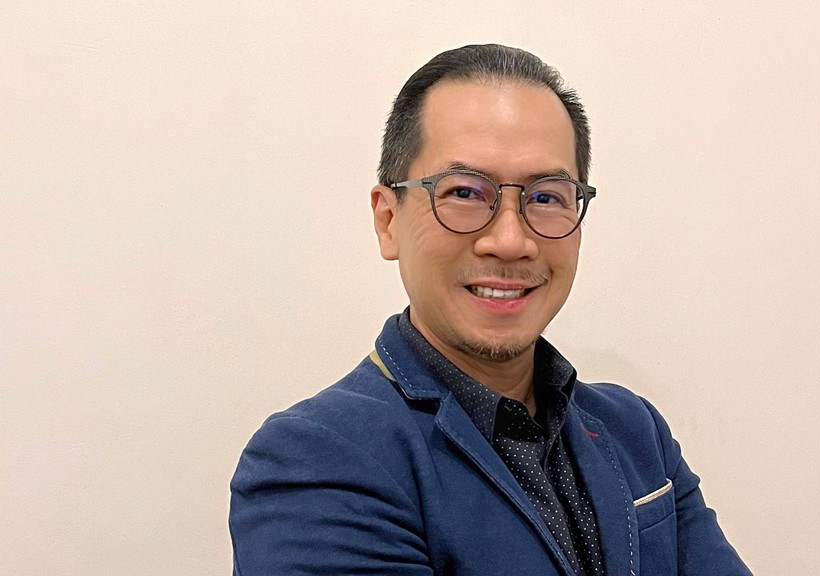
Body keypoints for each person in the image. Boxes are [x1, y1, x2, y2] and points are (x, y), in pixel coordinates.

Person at [229, 44, 752, 576]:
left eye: (546, 197)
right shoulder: (317, 458)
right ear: (388, 221)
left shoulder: (634, 431)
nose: (509, 241)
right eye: (464, 192)